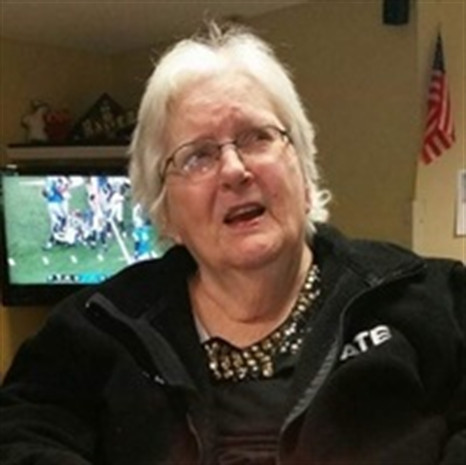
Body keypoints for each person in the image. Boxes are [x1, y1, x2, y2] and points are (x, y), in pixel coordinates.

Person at [0, 22, 465, 465]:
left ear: (305, 176)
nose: (234, 170)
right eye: (197, 156)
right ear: (165, 212)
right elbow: (18, 435)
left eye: (258, 138)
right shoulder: (94, 331)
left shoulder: (432, 300)